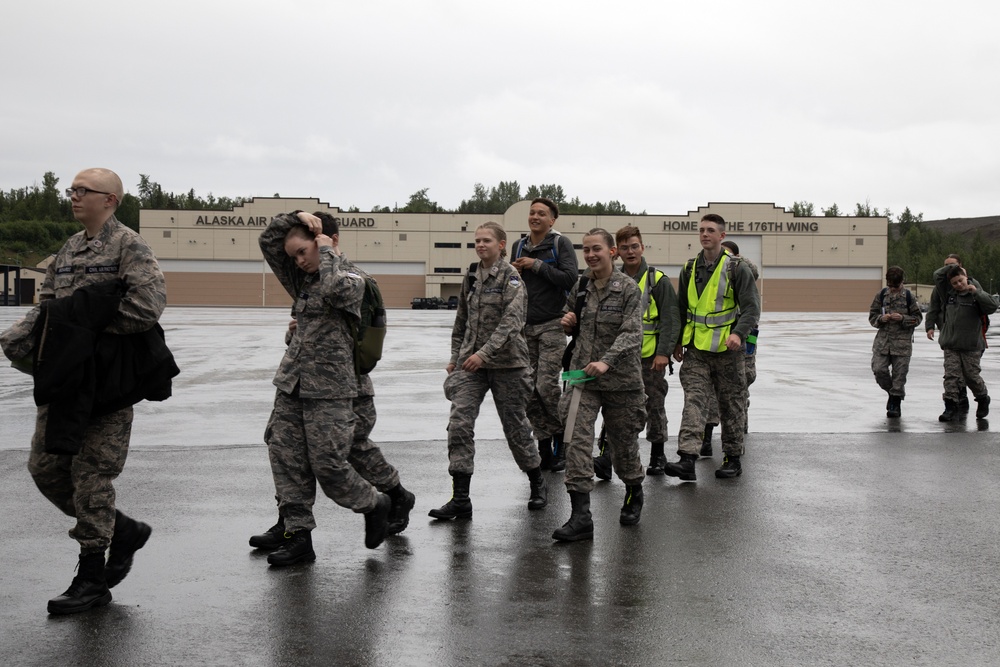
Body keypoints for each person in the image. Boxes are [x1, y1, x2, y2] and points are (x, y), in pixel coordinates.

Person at [0, 168, 168, 615]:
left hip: (107, 381)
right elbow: (50, 306)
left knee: (92, 478)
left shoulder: (129, 245)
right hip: (67, 379)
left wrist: (87, 329)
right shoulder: (69, 249)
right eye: (71, 190)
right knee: (45, 470)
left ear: (109, 199)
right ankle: (123, 530)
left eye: (82, 190)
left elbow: (147, 308)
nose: (73, 196)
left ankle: (92, 577)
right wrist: (22, 337)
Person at [250, 214, 415, 557]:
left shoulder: (354, 278)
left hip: (332, 388)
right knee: (285, 455)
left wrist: (326, 250)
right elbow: (269, 242)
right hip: (294, 384)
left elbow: (336, 290)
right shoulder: (305, 279)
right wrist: (294, 218)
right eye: (294, 256)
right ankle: (297, 534)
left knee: (329, 463)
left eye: (303, 252)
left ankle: (376, 504)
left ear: (328, 242)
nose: (299, 261)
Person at [429, 222, 546, 520]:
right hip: (471, 365)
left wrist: (484, 353)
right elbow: (461, 320)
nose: (481, 245)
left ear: (502, 245)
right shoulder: (471, 274)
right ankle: (460, 498)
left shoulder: (512, 277)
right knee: (459, 423)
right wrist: (456, 357)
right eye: (477, 241)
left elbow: (512, 322)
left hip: (508, 365)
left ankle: (536, 482)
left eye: (487, 241)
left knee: (516, 428)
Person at [553, 228, 646, 542]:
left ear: (612, 252)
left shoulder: (629, 289)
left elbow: (632, 333)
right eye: (586, 250)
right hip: (583, 378)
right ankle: (581, 516)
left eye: (597, 249)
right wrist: (567, 321)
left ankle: (634, 489)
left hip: (622, 381)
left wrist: (607, 360)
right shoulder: (581, 285)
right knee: (575, 440)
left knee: (623, 447)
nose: (591, 255)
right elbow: (570, 319)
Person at [664, 214, 760, 480]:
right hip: (696, 349)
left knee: (731, 404)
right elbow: (681, 309)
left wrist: (739, 334)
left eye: (710, 230)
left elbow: (752, 308)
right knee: (694, 401)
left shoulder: (736, 268)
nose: (705, 234)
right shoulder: (689, 268)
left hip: (728, 351)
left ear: (721, 235)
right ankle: (687, 458)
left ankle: (732, 457)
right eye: (702, 230)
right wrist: (677, 343)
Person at [593, 225, 680, 479]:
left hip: (649, 359)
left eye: (634, 246)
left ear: (642, 247)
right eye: (624, 247)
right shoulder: (611, 279)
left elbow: (670, 319)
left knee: (654, 405)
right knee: (614, 408)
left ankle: (657, 454)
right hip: (618, 361)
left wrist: (663, 352)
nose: (630, 251)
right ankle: (606, 458)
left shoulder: (657, 280)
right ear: (616, 251)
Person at [511, 198, 579, 472]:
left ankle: (562, 443)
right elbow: (512, 284)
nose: (535, 216)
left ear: (552, 220)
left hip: (552, 325)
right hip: (525, 327)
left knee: (547, 389)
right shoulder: (518, 245)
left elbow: (570, 278)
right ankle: (543, 446)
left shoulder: (560, 244)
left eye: (541, 213)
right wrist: (513, 272)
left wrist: (536, 265)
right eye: (532, 212)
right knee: (528, 390)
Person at [700, 239, 760, 454]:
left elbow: (754, 273)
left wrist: (733, 259)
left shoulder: (742, 274)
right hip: (715, 343)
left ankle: (738, 432)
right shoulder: (710, 279)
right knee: (709, 394)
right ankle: (706, 439)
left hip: (740, 344)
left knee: (739, 388)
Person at [926, 264, 997, 421]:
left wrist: (976, 292)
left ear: (967, 278)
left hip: (971, 345)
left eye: (960, 281)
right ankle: (950, 406)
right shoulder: (949, 295)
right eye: (954, 282)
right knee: (951, 376)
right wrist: (953, 267)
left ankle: (982, 398)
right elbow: (937, 275)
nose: (958, 285)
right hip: (951, 344)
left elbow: (993, 306)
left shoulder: (975, 293)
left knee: (971, 376)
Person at [868, 266, 922, 418]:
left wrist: (903, 318)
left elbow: (917, 318)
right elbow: (872, 316)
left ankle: (895, 402)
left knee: (899, 376)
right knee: (879, 370)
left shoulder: (909, 297)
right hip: (883, 343)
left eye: (895, 286)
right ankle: (892, 393)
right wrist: (881, 319)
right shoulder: (882, 295)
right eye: (890, 285)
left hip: (902, 344)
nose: (893, 289)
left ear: (902, 282)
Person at [926, 254, 971, 416]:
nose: (948, 269)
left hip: (969, 336)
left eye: (952, 266)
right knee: (952, 370)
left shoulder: (971, 284)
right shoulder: (941, 288)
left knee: (968, 370)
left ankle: (963, 395)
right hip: (949, 333)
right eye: (946, 266)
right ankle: (951, 403)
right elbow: (933, 307)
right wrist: (929, 326)